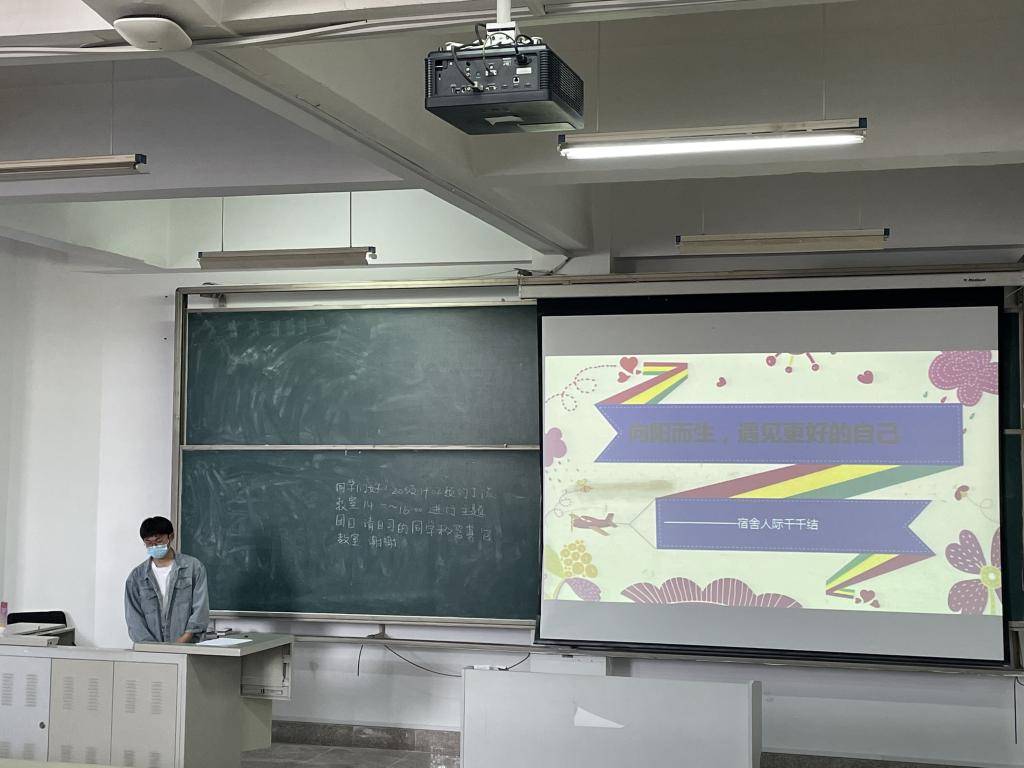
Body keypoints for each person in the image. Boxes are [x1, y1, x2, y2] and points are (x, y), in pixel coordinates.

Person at [124, 516, 209, 643]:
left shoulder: (193, 568)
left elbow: (200, 609)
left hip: (187, 646)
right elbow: (134, 618)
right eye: (149, 543)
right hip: (150, 650)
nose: (154, 546)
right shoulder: (136, 577)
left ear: (171, 537)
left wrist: (182, 641)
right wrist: (152, 648)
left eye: (158, 541)